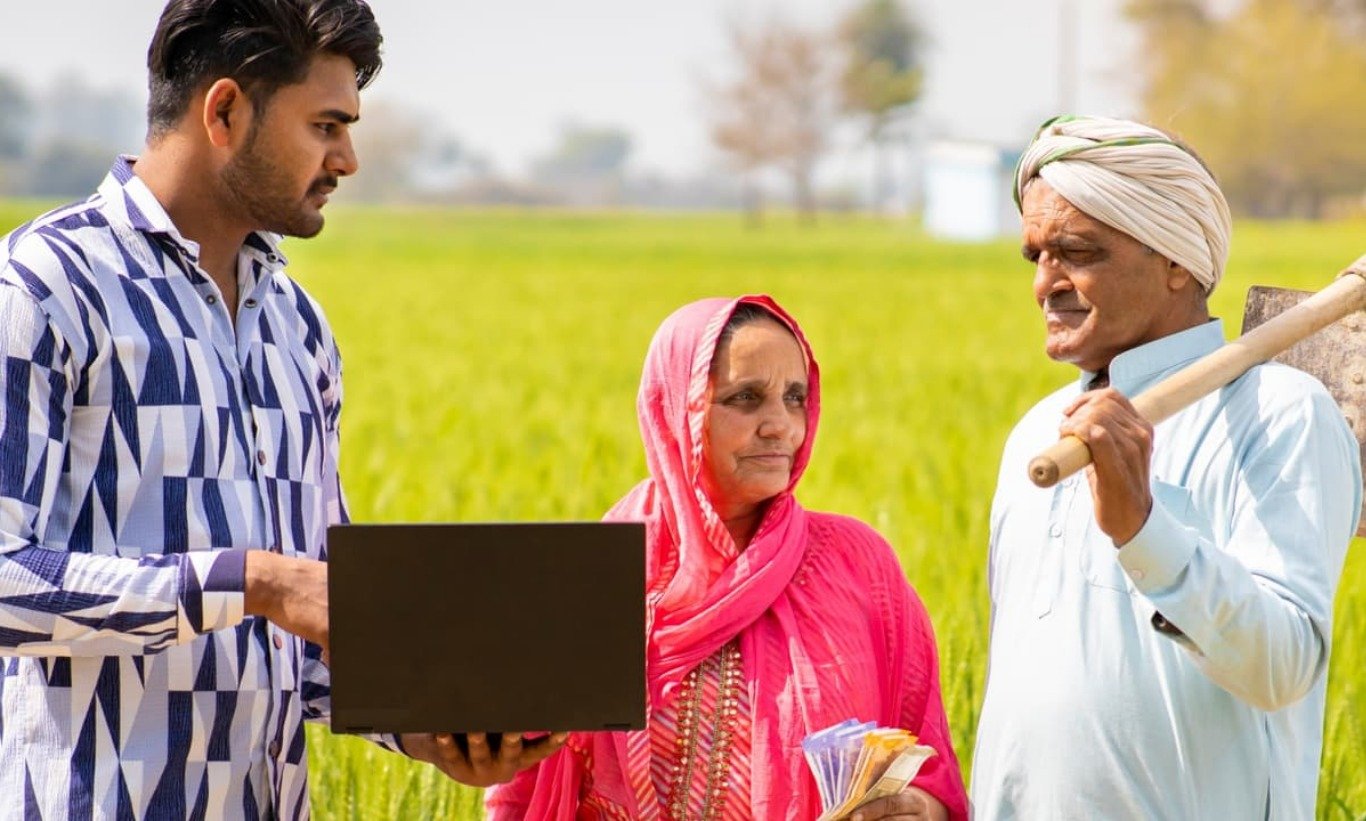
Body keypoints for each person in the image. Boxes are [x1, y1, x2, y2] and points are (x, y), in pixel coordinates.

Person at [0, 2, 561, 817]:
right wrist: (253, 581)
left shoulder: (297, 326)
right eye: (326, 125)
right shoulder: (43, 290)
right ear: (224, 110)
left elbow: (313, 617)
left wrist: (429, 727)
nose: (349, 159)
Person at [971, 115, 1363, 819]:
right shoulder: (1037, 434)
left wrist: (1144, 530)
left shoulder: (1279, 414)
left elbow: (1283, 667)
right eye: (1035, 256)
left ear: (1176, 260)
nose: (1046, 284)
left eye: (1076, 252)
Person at [486, 295, 969, 820]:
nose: (780, 424)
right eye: (746, 398)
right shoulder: (598, 578)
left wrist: (920, 807)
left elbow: (927, 760)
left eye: (795, 397)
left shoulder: (858, 564)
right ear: (677, 410)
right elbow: (517, 771)